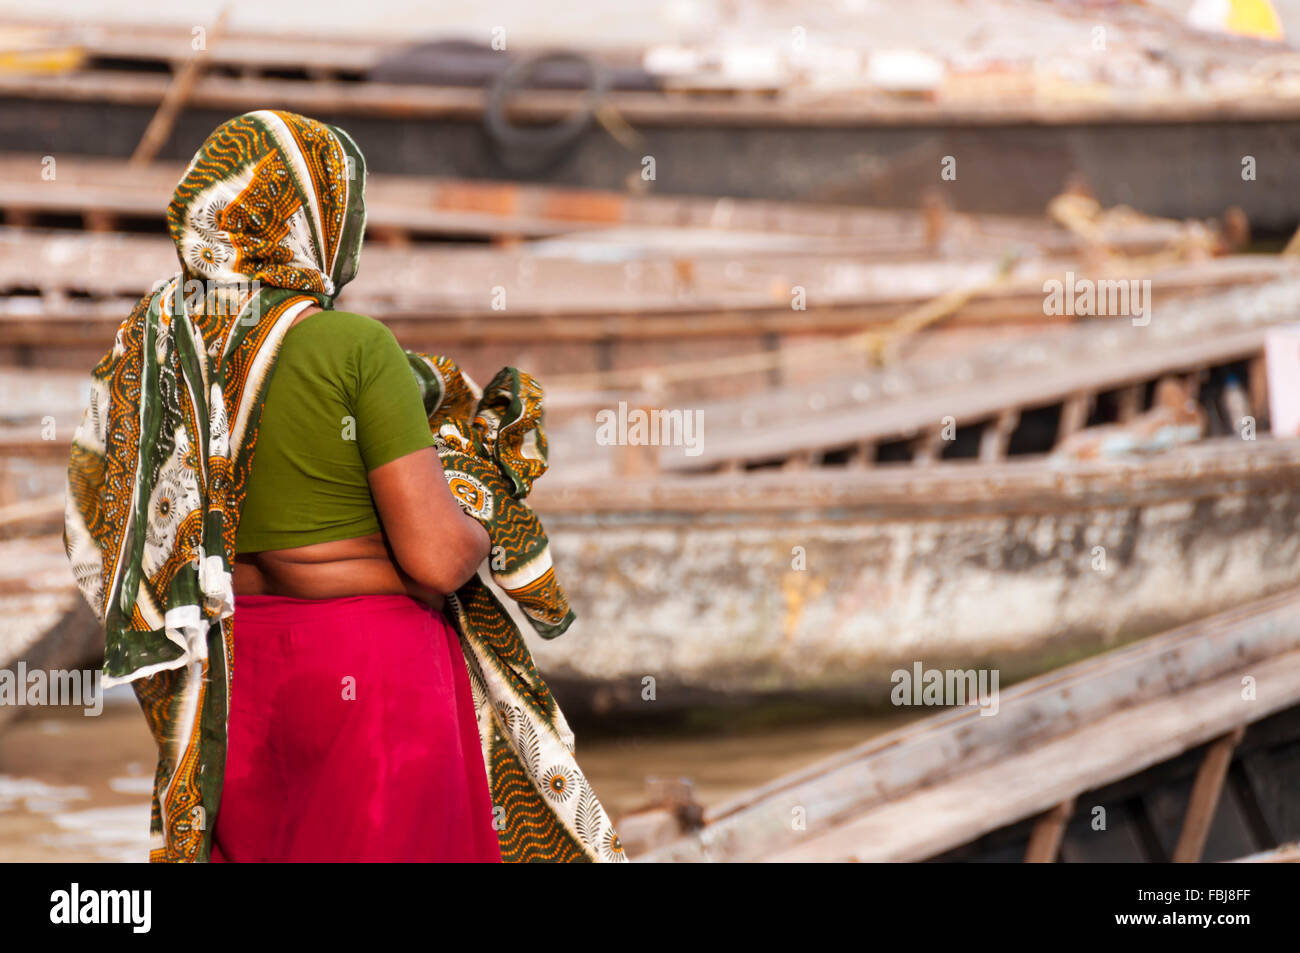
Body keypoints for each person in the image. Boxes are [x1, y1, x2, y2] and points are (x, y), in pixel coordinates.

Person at [63, 110, 502, 862]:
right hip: (369, 675)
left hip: (233, 683)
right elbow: (435, 556)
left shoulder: (159, 345)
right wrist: (484, 519)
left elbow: (102, 526)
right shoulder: (352, 345)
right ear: (315, 216)